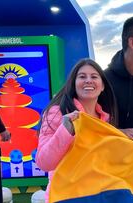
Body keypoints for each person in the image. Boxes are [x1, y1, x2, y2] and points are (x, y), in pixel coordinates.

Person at [36, 59, 118, 203]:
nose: (88, 81)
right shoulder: (57, 113)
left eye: (94, 77)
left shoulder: (107, 119)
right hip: (66, 197)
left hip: (99, 197)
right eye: (82, 76)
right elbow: (44, 162)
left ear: (103, 85)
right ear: (73, 83)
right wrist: (66, 130)